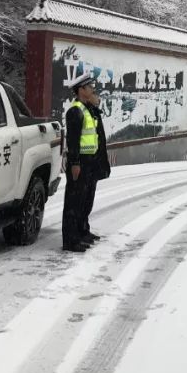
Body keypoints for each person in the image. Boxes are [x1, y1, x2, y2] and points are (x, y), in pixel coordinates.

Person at [62, 73, 109, 252]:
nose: (93, 89)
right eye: (89, 87)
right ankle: (70, 240)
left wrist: (95, 106)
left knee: (86, 199)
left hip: (90, 161)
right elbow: (73, 140)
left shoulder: (88, 109)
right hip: (79, 162)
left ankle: (83, 231)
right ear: (81, 90)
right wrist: (74, 163)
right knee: (74, 201)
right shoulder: (75, 111)